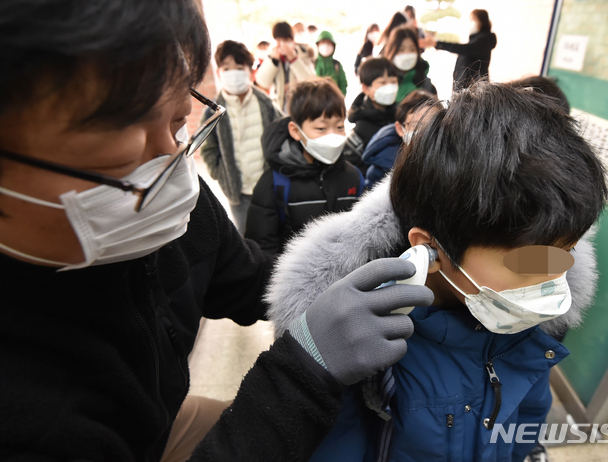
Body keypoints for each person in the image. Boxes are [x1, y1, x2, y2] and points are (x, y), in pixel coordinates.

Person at [0, 1, 435, 461]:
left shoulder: (165, 191)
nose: (168, 164)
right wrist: (305, 368)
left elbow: (249, 279)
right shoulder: (30, 415)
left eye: (176, 122)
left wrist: (373, 236)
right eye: (118, 157)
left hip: (159, 414)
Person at [266, 82, 607, 462]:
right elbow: (337, 445)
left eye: (565, 254)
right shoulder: (365, 342)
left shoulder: (525, 321)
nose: (551, 282)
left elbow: (528, 413)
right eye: (529, 262)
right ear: (432, 248)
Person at [245, 78, 364, 256]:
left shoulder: (353, 176)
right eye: (321, 128)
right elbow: (263, 248)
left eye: (339, 126)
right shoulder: (275, 183)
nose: (333, 136)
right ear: (295, 130)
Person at [199, 41, 282, 234]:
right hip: (238, 192)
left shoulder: (265, 103)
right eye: (227, 68)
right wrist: (220, 175)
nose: (233, 73)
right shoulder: (213, 111)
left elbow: (280, 134)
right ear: (219, 72)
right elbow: (208, 148)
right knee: (247, 235)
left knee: (274, 233)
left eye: (239, 68)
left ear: (250, 71)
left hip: (267, 187)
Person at [362, 89, 437, 189]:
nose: (425, 132)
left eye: (433, 125)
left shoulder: (450, 161)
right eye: (416, 126)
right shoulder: (381, 170)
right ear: (400, 129)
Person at [345, 58, 399, 175]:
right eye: (383, 83)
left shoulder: (400, 116)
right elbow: (352, 165)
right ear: (366, 88)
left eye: (393, 81)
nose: (389, 87)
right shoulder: (361, 128)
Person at [424, 9, 497, 90]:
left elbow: (464, 49)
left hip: (474, 89)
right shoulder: (475, 39)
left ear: (481, 21)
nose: (470, 22)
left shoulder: (486, 39)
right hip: (465, 87)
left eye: (472, 19)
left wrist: (438, 44)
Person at [255, 21, 315, 113]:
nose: (282, 44)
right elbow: (262, 83)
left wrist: (293, 59)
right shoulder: (272, 56)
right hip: (278, 110)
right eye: (278, 40)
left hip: (302, 109)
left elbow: (311, 82)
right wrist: (273, 60)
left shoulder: (304, 53)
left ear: (292, 39)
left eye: (286, 40)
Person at [384, 26, 437, 102]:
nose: (407, 54)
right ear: (392, 51)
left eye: (412, 49)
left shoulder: (427, 86)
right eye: (401, 50)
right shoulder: (382, 82)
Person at [314, 30, 348, 96]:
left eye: (329, 43)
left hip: (334, 101)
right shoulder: (313, 63)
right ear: (318, 45)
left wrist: (340, 98)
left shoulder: (336, 65)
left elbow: (343, 84)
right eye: (323, 42)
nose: (326, 46)